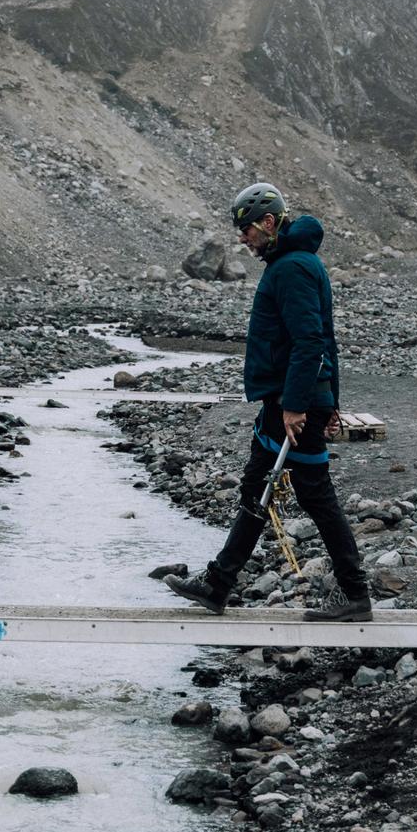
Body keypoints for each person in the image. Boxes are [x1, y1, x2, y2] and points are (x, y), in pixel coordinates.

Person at [163, 182, 373, 622]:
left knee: (315, 496)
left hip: (292, 406)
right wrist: (327, 400)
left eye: (247, 230)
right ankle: (217, 585)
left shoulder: (292, 268)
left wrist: (301, 405)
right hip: (285, 402)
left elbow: (311, 340)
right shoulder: (292, 263)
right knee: (257, 487)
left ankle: (354, 594)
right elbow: (324, 339)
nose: (243, 239)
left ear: (269, 223)